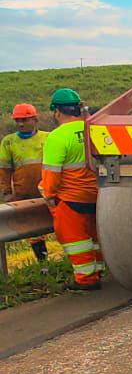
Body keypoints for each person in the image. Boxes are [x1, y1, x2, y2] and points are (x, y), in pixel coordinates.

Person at [38, 89, 105, 290]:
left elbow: (51, 174)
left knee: (76, 241)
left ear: (57, 112)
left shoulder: (57, 137)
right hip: (99, 196)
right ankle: (98, 270)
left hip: (71, 199)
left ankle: (86, 280)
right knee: (95, 239)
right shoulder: (93, 129)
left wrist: (48, 195)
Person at [1, 103, 53, 265]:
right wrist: (6, 192)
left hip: (49, 191)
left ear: (35, 120)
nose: (21, 124)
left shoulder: (48, 137)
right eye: (17, 121)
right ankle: (44, 265)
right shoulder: (9, 142)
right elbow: (4, 169)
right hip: (25, 194)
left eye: (24, 120)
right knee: (34, 234)